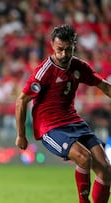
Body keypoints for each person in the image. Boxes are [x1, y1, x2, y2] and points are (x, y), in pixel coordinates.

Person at [15, 24, 111, 203]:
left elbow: (104, 86)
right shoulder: (44, 73)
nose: (64, 54)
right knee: (84, 158)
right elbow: (21, 100)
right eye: (60, 50)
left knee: (105, 169)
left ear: (74, 45)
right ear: (52, 45)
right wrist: (21, 135)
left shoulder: (79, 66)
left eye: (68, 49)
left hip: (74, 122)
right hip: (50, 127)